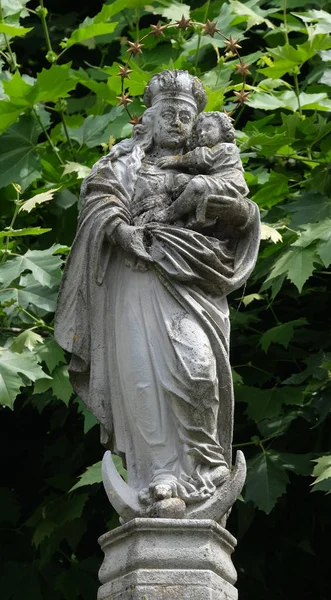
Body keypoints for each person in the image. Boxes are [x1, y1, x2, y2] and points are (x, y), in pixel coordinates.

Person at [55, 70, 260, 509]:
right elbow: (99, 202)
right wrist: (118, 229)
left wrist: (239, 214)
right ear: (147, 119)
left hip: (194, 277)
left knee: (198, 369)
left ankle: (206, 465)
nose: (177, 123)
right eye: (168, 113)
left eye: (186, 116)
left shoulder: (210, 165)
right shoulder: (123, 163)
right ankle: (158, 474)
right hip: (138, 276)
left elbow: (240, 215)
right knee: (142, 378)